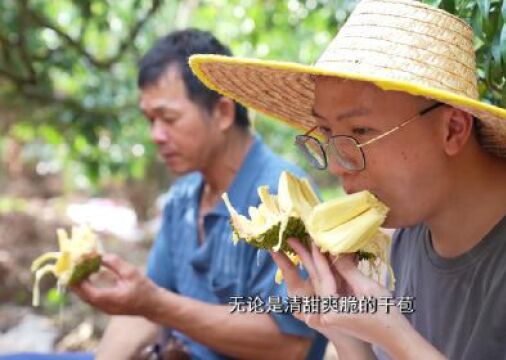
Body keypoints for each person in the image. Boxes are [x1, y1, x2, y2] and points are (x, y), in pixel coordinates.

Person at [188, 0, 506, 359]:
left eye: (360, 132)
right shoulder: (406, 233)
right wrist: (343, 326)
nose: (340, 164)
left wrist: (397, 335)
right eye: (326, 134)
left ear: (453, 129)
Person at [72, 29, 326, 360]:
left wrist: (157, 305)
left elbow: (290, 344)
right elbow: (144, 309)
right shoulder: (183, 199)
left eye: (168, 118)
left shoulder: (284, 196)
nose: (156, 135)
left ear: (222, 112)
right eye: (150, 120)